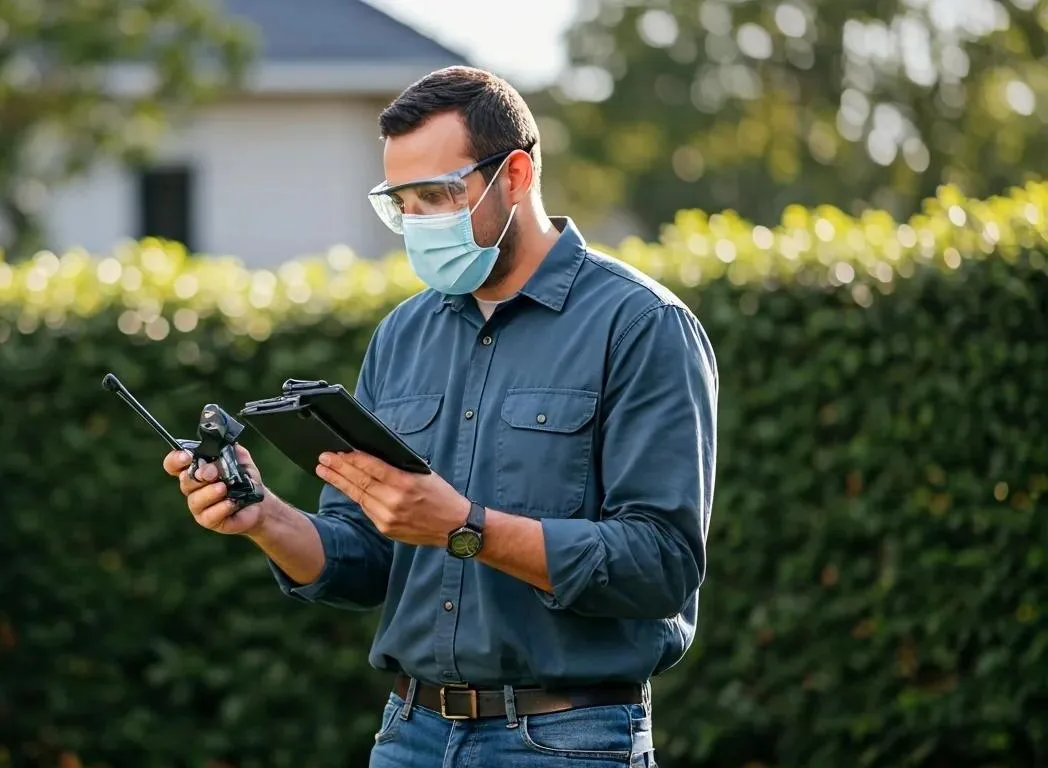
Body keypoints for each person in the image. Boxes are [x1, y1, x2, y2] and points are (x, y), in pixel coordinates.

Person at [163, 65, 718, 767]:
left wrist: (466, 530)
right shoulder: (402, 334)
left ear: (515, 175)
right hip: (409, 735)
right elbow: (364, 560)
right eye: (404, 203)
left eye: (439, 195)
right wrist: (265, 516)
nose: (421, 221)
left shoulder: (641, 325)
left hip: (564, 741)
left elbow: (661, 564)